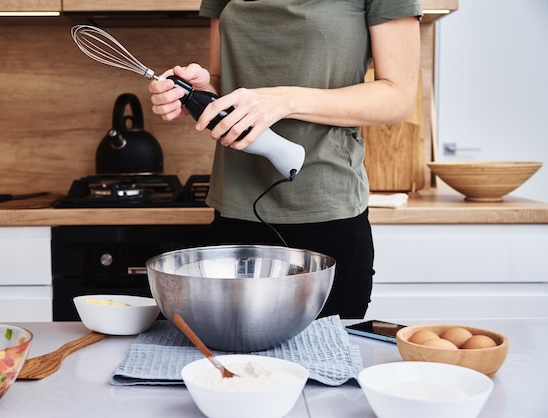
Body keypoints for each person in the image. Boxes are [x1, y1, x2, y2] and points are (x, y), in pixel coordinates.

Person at [148, 0, 423, 319]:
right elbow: (225, 83)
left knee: (327, 364)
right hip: (236, 210)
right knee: (238, 365)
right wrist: (201, 92)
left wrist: (286, 100)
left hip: (328, 213)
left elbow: (398, 98)